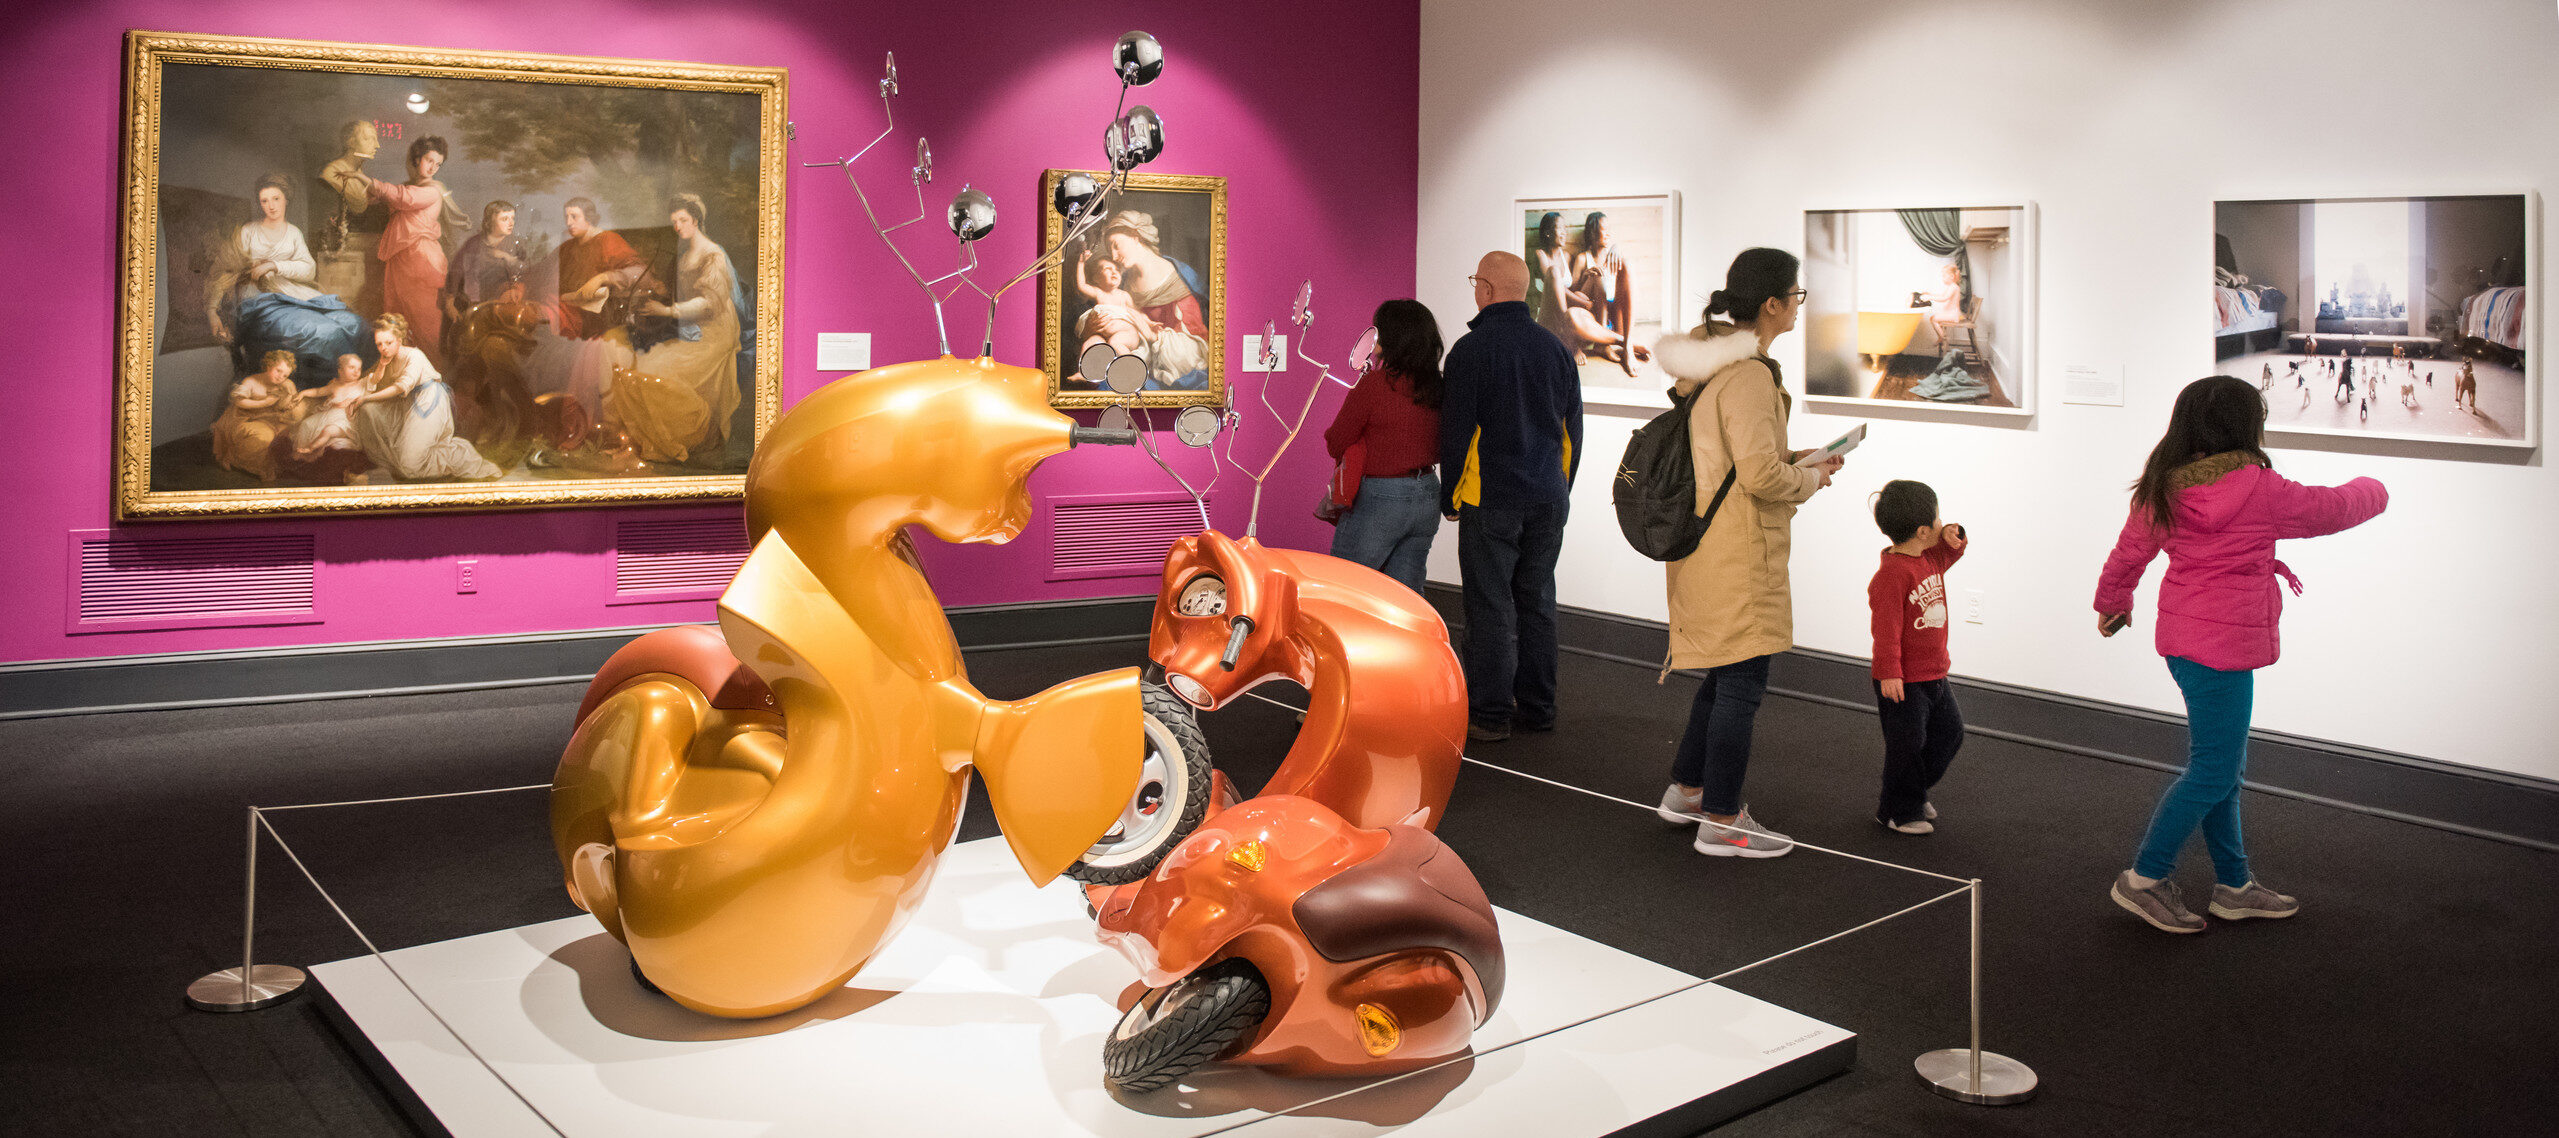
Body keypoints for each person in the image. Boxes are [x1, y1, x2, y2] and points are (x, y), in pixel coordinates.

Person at [2095, 376, 2385, 932]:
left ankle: (2234, 885)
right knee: (2213, 769)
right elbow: (2333, 509)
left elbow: (2129, 553)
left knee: (2223, 766)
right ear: (2247, 426)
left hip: (2185, 643)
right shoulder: (2259, 488)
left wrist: (2113, 602)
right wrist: (2376, 485)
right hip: (2223, 650)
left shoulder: (2164, 485)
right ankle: (2144, 878)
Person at [1650, 248, 1841, 858]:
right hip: (1737, 547)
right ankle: (1724, 820)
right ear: (1771, 304)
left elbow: (1739, 458)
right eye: (1796, 297)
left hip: (1708, 540)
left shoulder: (1711, 366)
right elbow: (1758, 477)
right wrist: (1808, 479)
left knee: (1729, 668)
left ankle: (1688, 789)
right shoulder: (1750, 374)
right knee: (1743, 678)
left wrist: (1794, 459)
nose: (1797, 309)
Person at [1439, 251, 1582, 742]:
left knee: (1490, 605)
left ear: (1486, 289)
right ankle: (1539, 707)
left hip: (1491, 496)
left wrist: (1450, 496)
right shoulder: (1557, 349)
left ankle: (1491, 713)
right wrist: (1561, 490)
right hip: (1547, 495)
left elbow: (1457, 433)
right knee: (1538, 601)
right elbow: (1572, 433)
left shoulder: (1469, 352)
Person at [1322, 299, 1446, 596]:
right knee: (1405, 599)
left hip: (1381, 496)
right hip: (1428, 493)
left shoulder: (1374, 385)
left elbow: (1336, 440)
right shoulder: (1439, 386)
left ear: (1391, 337)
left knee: (1345, 589)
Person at [615, 194, 748, 464]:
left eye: (683, 220)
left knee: (658, 371)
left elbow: (710, 303)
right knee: (643, 365)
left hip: (716, 331)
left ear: (696, 220)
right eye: (674, 221)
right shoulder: (686, 255)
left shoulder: (713, 254)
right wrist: (664, 293)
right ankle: (668, 440)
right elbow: (685, 294)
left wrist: (667, 310)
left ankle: (702, 434)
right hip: (693, 328)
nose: (677, 226)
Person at [1866, 480, 1967, 835]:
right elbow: (1886, 630)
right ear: (1924, 531)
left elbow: (1951, 552)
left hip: (1935, 673)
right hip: (1903, 681)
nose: (1942, 523)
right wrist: (1889, 672)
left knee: (1950, 734)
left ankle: (1913, 789)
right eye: (1938, 519)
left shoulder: (1928, 556)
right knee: (1905, 746)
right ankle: (1896, 810)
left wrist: (1955, 535)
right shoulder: (1891, 576)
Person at [207, 174, 367, 387]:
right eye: (264, 201)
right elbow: (226, 271)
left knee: (355, 324)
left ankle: (351, 383)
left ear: (286, 200)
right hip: (261, 299)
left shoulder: (293, 233)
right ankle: (334, 384)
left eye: (276, 199)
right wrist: (211, 310)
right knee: (324, 333)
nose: (271, 206)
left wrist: (275, 265)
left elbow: (309, 269)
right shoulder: (249, 232)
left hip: (293, 292)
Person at [351, 314, 502, 481]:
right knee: (368, 411)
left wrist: (367, 398)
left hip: (429, 402)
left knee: (410, 464)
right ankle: (395, 464)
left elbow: (400, 387)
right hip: (407, 403)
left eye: (388, 343)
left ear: (399, 339)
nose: (383, 348)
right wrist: (379, 370)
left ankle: (461, 455)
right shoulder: (387, 360)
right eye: (379, 344)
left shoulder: (414, 356)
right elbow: (374, 384)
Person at [358, 136, 468, 365]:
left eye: (438, 164)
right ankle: (400, 371)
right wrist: (365, 191)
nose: (433, 167)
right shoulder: (412, 187)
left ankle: (431, 375)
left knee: (424, 322)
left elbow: (403, 198)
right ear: (417, 159)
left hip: (422, 261)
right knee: (396, 317)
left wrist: (363, 179)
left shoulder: (432, 191)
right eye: (429, 160)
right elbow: (390, 198)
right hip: (400, 260)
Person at [1095, 210, 1212, 389]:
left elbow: (1197, 347)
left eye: (1116, 245)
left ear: (1135, 237)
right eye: (1110, 249)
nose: (1113, 256)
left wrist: (1154, 337)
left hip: (1172, 366)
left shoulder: (1179, 277)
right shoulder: (1122, 282)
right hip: (1138, 357)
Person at [208, 349, 309, 481]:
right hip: (244, 418)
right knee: (264, 438)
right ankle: (233, 458)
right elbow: (239, 401)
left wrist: (289, 399)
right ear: (269, 365)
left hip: (271, 419)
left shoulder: (285, 384)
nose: (280, 377)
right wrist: (264, 402)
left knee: (297, 430)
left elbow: (291, 405)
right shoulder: (251, 381)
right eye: (278, 371)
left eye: (285, 375)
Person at [442, 199, 525, 355]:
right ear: (489, 222)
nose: (511, 223)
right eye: (504, 219)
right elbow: (456, 271)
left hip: (503, 300)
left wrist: (514, 285)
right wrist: (449, 301)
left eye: (512, 218)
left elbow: (522, 272)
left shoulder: (515, 244)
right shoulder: (474, 244)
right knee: (469, 338)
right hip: (474, 300)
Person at [289, 352, 372, 460]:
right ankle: (302, 454)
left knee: (328, 431)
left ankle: (311, 448)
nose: (356, 371)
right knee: (306, 424)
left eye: (359, 368)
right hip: (326, 416)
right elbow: (318, 391)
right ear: (340, 370)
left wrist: (383, 365)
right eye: (352, 367)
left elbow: (377, 377)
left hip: (345, 421)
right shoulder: (335, 385)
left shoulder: (361, 383)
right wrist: (303, 393)